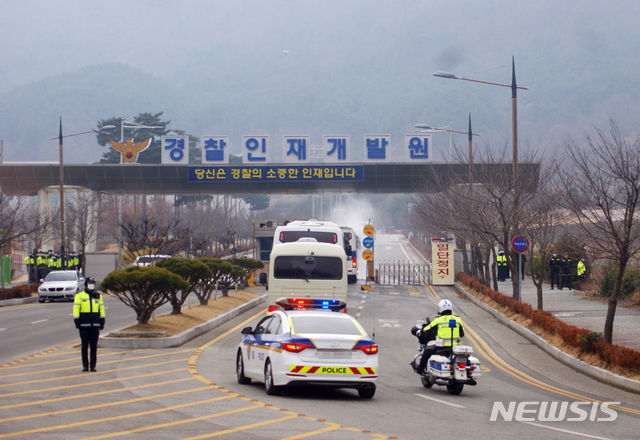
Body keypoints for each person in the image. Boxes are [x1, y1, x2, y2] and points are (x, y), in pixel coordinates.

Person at [412, 299, 465, 375]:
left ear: (440, 309)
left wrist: (421, 331)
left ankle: (420, 369)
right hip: (455, 348)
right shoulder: (457, 319)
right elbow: (462, 334)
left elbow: (427, 329)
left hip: (441, 348)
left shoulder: (438, 320)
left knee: (427, 351)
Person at [73, 277, 105, 372]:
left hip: (95, 325)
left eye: (93, 283)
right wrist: (77, 320)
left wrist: (102, 320)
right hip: (84, 325)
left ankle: (93, 366)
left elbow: (101, 309)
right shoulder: (79, 296)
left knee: (94, 346)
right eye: (90, 283)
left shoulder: (97, 296)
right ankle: (85, 366)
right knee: (84, 346)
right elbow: (76, 309)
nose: (91, 284)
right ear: (86, 284)